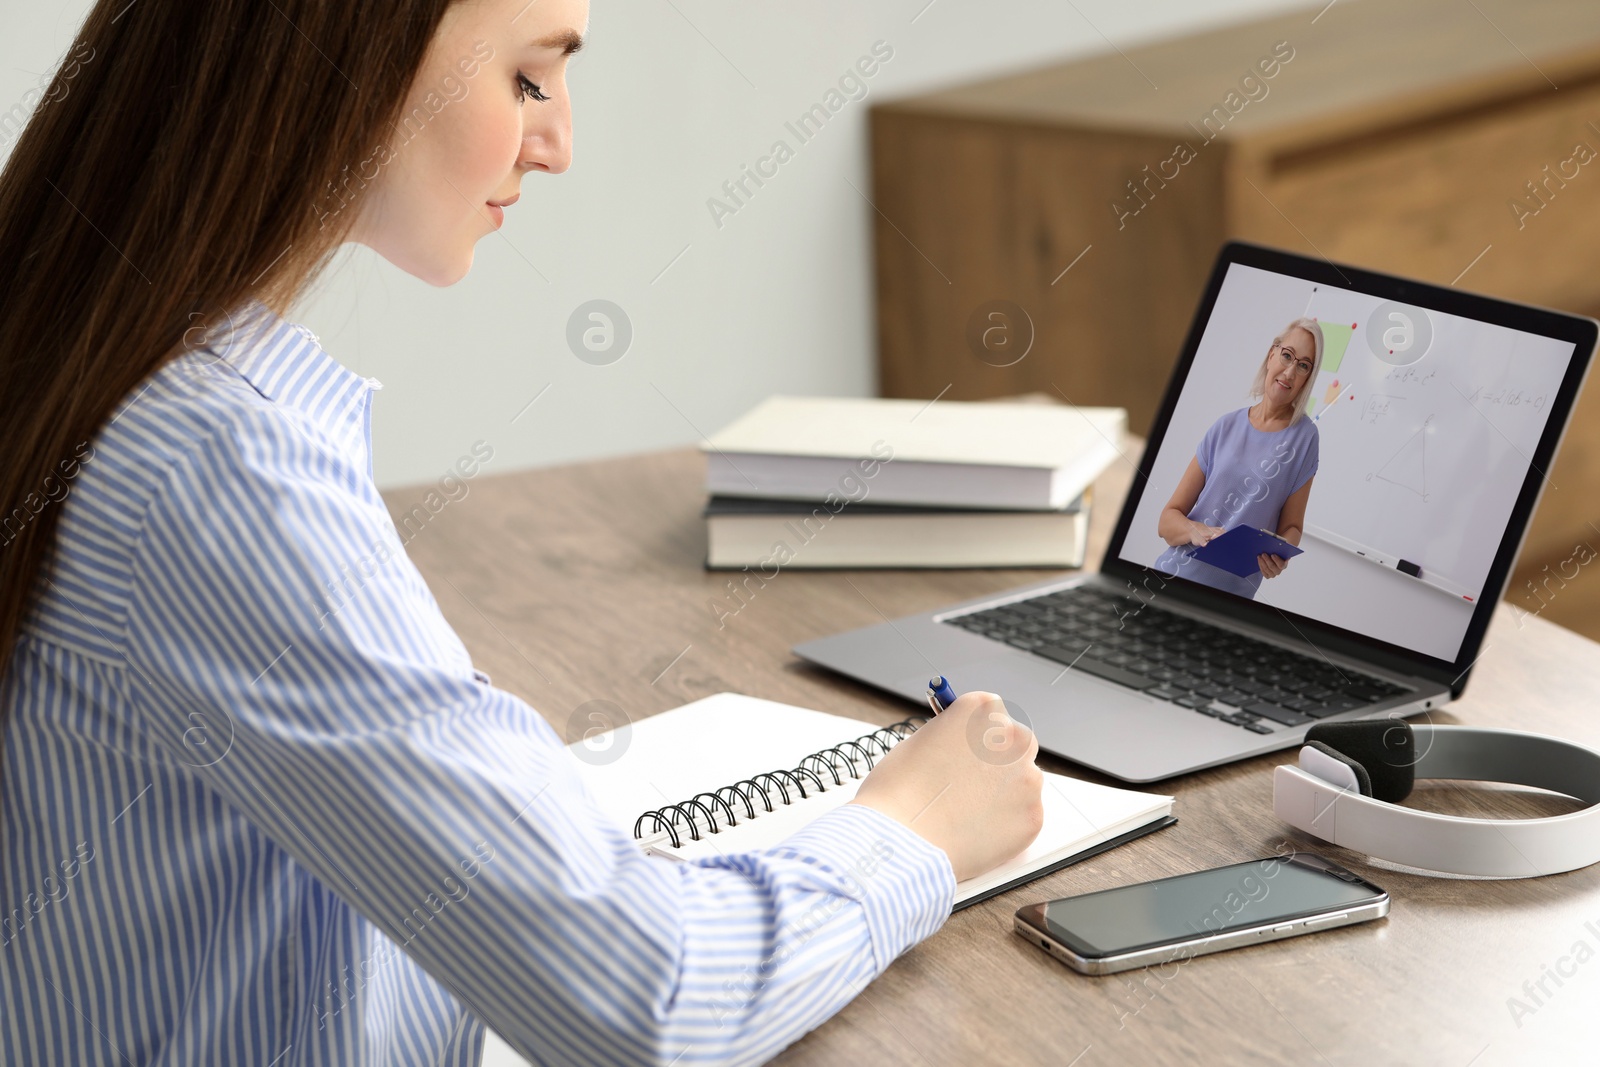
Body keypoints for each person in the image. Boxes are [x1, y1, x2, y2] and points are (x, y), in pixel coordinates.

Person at [0, 2, 1044, 1064]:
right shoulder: (219, 474)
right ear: (354, 60)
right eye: (528, 79)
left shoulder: (82, 357)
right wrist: (914, 826)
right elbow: (651, 1005)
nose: (558, 144)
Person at [1153, 318, 1324, 599]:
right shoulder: (1225, 426)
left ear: (1308, 378)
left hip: (1229, 602)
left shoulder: (1305, 438)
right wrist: (1195, 531)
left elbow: (1292, 528)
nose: (1290, 372)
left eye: (1303, 365)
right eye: (1287, 356)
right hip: (1172, 581)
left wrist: (1280, 556)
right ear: (1272, 355)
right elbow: (1167, 521)